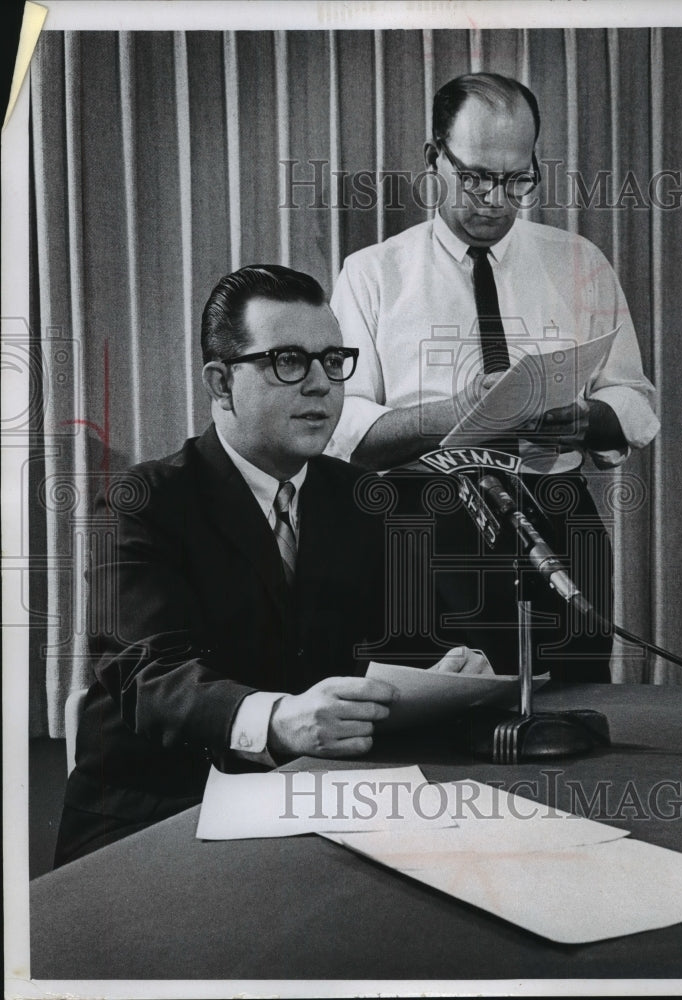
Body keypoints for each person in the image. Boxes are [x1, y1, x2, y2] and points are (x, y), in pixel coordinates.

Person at [54, 264, 487, 867]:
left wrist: (448, 676)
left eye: (332, 361)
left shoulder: (370, 498)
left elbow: (412, 647)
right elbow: (147, 678)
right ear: (220, 381)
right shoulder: (143, 501)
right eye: (288, 361)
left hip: (323, 807)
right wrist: (277, 719)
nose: (320, 385)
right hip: (160, 815)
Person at [327, 73, 660, 681]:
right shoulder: (371, 274)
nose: (494, 199)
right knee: (435, 732)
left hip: (559, 517)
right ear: (435, 159)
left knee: (573, 719)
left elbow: (634, 400)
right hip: (418, 531)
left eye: (516, 179)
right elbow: (340, 429)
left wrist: (587, 418)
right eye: (475, 176)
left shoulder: (580, 261)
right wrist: (453, 414)